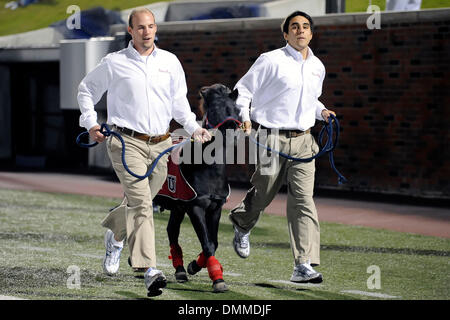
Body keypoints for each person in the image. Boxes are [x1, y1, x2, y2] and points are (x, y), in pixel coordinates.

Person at [77, 7, 211, 296]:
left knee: (142, 202)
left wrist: (194, 128)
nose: (147, 32)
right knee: (142, 205)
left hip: (162, 145)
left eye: (150, 26)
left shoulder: (170, 62)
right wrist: (90, 123)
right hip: (126, 144)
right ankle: (149, 269)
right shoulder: (114, 63)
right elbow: (86, 90)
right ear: (130, 30)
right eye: (140, 27)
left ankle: (115, 236)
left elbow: (179, 105)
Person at [229, 11, 336, 284]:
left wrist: (322, 112)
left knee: (303, 202)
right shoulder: (270, 60)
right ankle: (242, 223)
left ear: (311, 33)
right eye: (294, 27)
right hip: (270, 138)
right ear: (286, 34)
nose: (301, 31)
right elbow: (243, 90)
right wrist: (244, 118)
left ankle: (303, 264)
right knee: (264, 191)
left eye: (305, 27)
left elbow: (310, 100)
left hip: (304, 141)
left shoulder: (317, 66)